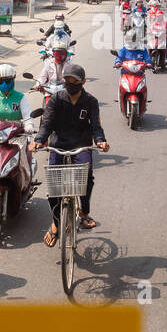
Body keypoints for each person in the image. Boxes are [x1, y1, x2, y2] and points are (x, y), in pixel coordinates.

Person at [28, 64, 109, 245]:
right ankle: (56, 223)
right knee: (54, 186)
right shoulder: (56, 100)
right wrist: (39, 140)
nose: (71, 85)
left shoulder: (91, 102)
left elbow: (96, 126)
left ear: (83, 82)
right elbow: (46, 124)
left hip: (81, 145)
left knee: (87, 178)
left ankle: (84, 212)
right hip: (58, 144)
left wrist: (101, 140)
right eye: (68, 81)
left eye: (75, 82)